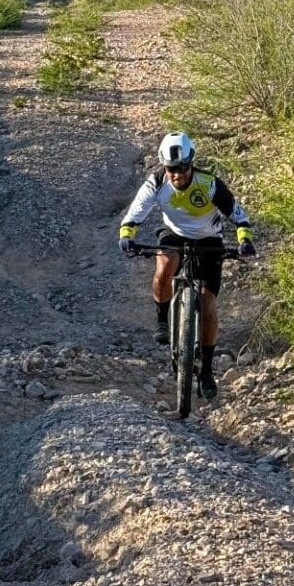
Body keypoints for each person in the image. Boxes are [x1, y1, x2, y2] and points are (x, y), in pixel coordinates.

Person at [118, 131, 256, 401]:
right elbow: (134, 214)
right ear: (164, 167)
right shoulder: (156, 183)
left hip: (209, 239)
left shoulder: (209, 183)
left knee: (207, 306)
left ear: (191, 163)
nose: (177, 175)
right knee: (164, 267)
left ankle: (205, 371)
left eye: (182, 168)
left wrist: (245, 240)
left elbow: (238, 214)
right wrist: (126, 236)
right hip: (174, 234)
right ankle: (162, 321)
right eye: (171, 169)